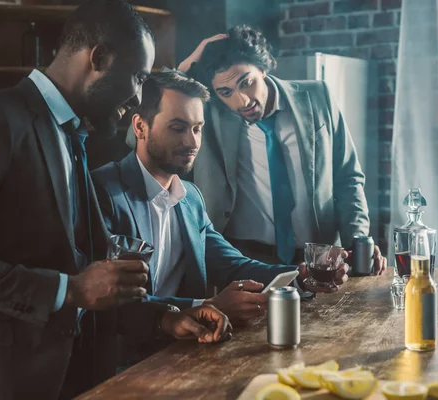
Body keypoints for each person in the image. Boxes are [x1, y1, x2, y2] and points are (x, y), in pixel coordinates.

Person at [0, 2, 231, 400]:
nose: (138, 94)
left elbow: (86, 277)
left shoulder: (72, 137)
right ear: (99, 58)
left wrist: (166, 318)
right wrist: (66, 290)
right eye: (138, 76)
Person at [94, 72, 350, 322]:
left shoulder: (191, 198)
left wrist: (300, 277)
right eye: (178, 128)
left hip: (186, 351)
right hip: (125, 361)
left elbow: (233, 266)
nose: (192, 142)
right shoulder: (102, 190)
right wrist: (206, 306)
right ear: (140, 126)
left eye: (197, 128)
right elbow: (107, 302)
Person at [176, 26, 387, 273]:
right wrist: (184, 68)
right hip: (243, 260)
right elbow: (142, 131)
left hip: (320, 258)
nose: (241, 100)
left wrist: (358, 242)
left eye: (246, 83)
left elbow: (347, 178)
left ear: (263, 69)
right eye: (226, 92)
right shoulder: (210, 115)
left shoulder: (318, 97)